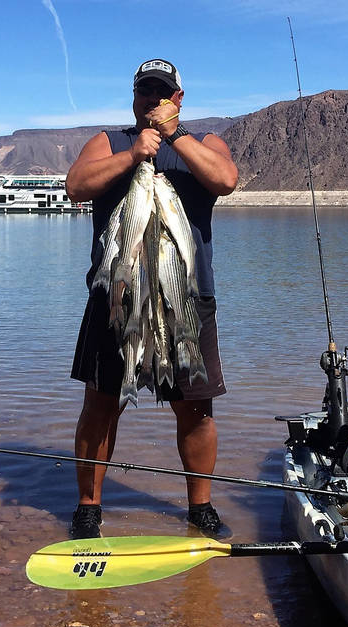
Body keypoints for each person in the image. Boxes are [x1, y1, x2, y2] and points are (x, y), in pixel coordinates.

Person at [65, 58, 238, 539]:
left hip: (187, 299)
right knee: (100, 405)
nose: (152, 101)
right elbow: (75, 187)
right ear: (133, 96)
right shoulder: (108, 142)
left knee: (197, 408)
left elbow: (225, 180)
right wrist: (134, 154)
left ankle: (199, 507)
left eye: (162, 94)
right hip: (115, 297)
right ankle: (88, 508)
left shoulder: (205, 144)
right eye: (145, 92)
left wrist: (174, 137)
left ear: (178, 99)